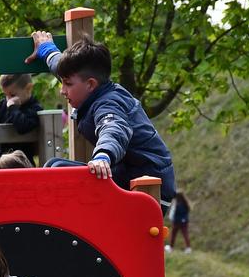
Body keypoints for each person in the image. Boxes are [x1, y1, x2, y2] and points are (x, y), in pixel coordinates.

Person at [26, 32, 175, 202]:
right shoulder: (93, 85)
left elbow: (113, 128)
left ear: (90, 84)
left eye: (67, 84)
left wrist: (103, 155)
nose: (62, 90)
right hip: (126, 174)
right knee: (54, 166)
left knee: (59, 170)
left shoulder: (109, 104)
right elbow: (61, 67)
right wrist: (47, 49)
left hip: (148, 190)